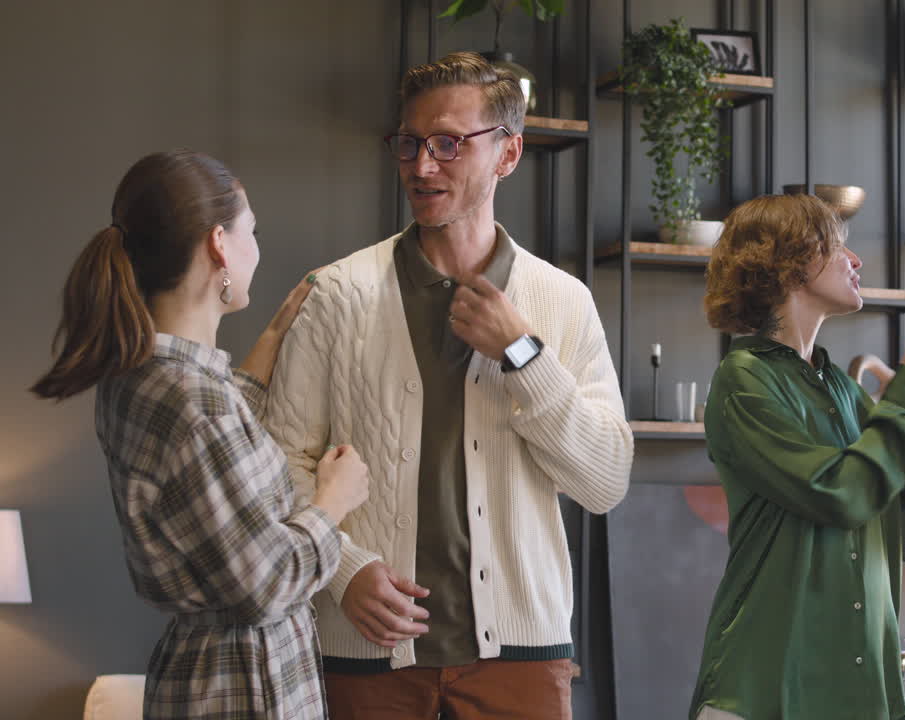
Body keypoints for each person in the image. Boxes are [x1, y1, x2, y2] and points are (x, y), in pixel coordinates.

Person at [264, 51, 632, 720]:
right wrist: (343, 571)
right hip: (367, 651)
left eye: (448, 144)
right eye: (409, 143)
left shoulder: (562, 300)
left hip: (521, 658)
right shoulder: (337, 294)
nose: (421, 165)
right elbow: (278, 461)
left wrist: (524, 353)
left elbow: (604, 482)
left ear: (507, 155)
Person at [30, 150, 370, 719]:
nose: (256, 248)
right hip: (245, 690)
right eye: (251, 230)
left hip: (207, 680)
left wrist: (273, 337)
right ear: (219, 244)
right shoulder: (195, 401)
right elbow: (268, 584)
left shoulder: (142, 377)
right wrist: (333, 500)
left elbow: (218, 459)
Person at [687, 193, 905, 720]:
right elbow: (841, 493)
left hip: (859, 690)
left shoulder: (839, 388)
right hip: (769, 687)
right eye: (837, 247)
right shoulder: (745, 380)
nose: (856, 262)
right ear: (790, 262)